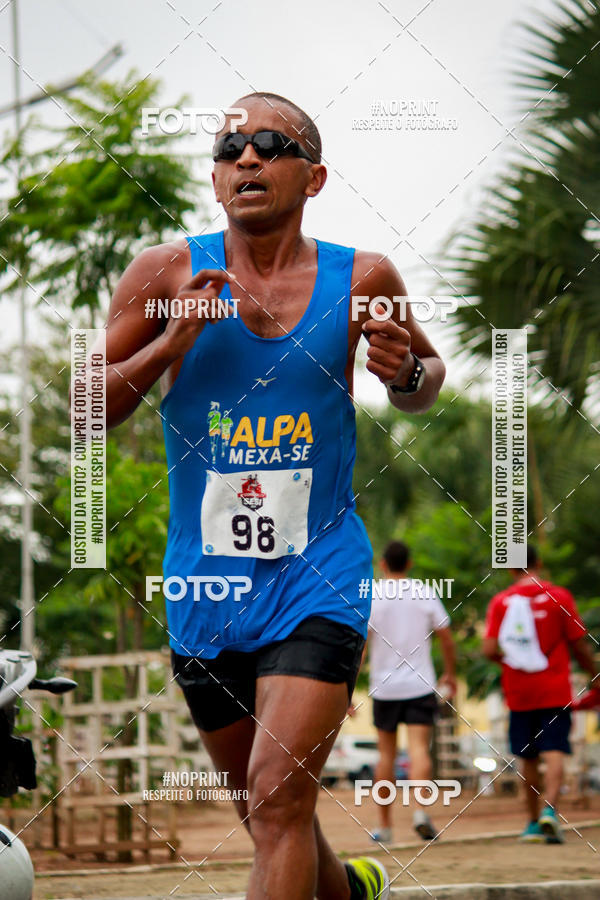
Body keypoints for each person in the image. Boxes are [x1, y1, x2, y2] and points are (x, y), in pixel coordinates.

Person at [103, 91, 445, 899]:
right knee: (270, 814)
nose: (246, 158)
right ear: (217, 180)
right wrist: (171, 342)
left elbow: (425, 381)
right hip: (204, 585)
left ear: (314, 175)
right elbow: (85, 405)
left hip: (316, 572)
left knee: (278, 796)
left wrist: (400, 369)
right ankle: (351, 891)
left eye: (269, 144)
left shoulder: (364, 276)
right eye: (229, 150)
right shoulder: (165, 273)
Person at [483, 545, 598, 844]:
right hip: (555, 691)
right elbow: (580, 644)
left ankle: (532, 822)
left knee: (528, 759)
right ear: (539, 563)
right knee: (555, 750)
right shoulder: (559, 597)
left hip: (519, 693)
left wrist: (512, 663)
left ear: (511, 569)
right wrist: (594, 675)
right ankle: (550, 811)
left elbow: (489, 649)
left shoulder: (501, 602)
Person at [365, 541, 456, 844]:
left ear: (382, 564)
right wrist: (450, 673)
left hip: (384, 686)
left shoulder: (374, 595)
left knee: (385, 756)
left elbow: (361, 646)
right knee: (419, 750)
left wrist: (348, 686)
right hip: (420, 684)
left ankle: (384, 827)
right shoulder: (424, 591)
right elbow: (445, 634)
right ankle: (420, 812)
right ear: (410, 563)